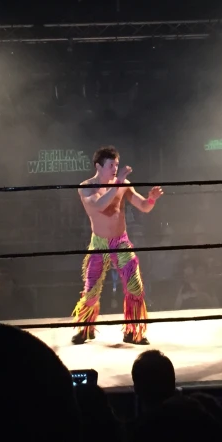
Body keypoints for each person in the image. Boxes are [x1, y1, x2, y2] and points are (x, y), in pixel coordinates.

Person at [72, 146, 163, 345]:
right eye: (111, 165)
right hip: (99, 243)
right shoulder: (86, 187)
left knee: (135, 287)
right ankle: (86, 329)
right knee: (91, 289)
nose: (115, 169)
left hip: (121, 241)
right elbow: (98, 206)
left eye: (117, 165)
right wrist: (118, 184)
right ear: (98, 166)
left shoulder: (123, 184)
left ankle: (132, 331)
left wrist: (151, 199)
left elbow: (143, 206)